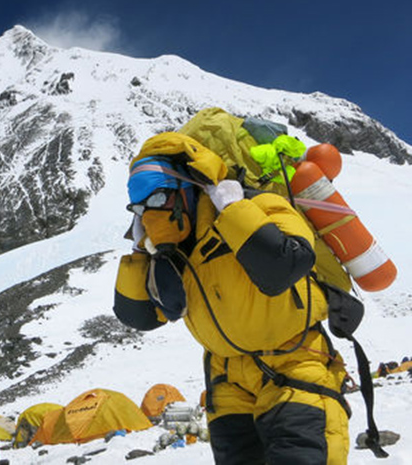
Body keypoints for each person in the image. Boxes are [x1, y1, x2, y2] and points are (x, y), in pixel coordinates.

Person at [114, 131, 352, 464]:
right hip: (226, 385)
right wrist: (140, 250)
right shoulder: (171, 254)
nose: (150, 214)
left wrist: (234, 209)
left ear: (188, 189)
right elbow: (137, 316)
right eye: (139, 207)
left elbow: (287, 264)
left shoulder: (260, 205)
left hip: (296, 366)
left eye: (157, 199)